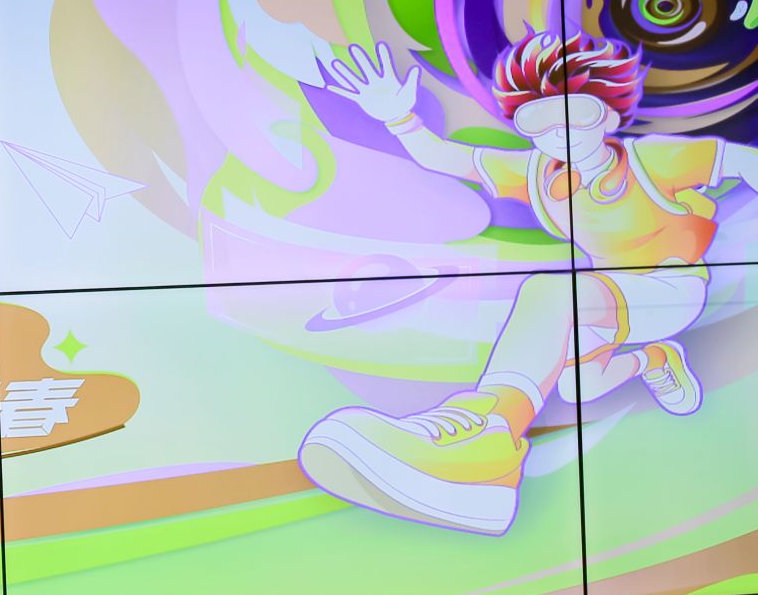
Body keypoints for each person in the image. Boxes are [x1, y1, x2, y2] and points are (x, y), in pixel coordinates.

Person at [303, 33, 758, 536]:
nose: (559, 134)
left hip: (670, 291)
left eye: (575, 115)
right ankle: (655, 360)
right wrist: (398, 117)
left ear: (608, 117)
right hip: (605, 295)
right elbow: (446, 158)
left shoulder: (652, 161)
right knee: (580, 385)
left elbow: (741, 162)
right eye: (538, 122)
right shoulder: (541, 173)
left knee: (550, 292)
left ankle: (486, 433)